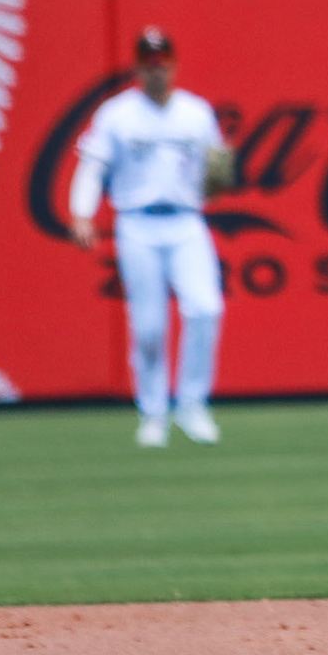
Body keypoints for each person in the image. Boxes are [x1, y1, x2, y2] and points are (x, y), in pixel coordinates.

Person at [69, 27, 229, 448]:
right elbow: (92, 164)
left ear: (173, 65)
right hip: (137, 222)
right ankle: (154, 413)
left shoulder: (195, 113)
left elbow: (217, 170)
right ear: (138, 68)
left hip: (185, 221)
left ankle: (192, 404)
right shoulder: (117, 114)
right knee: (149, 327)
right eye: (148, 64)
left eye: (162, 63)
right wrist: (83, 212)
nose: (156, 71)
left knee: (205, 308)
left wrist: (218, 177)